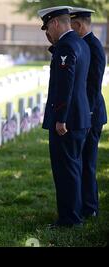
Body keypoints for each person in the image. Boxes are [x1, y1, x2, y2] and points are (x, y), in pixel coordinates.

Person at [38, 6, 91, 228]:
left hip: (68, 121)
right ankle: (74, 214)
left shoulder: (66, 46)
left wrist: (60, 118)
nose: (48, 32)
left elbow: (65, 84)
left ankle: (69, 219)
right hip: (79, 117)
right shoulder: (81, 43)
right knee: (74, 168)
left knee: (65, 170)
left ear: (55, 23)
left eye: (48, 27)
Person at [70, 7, 107, 219]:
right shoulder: (83, 44)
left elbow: (93, 86)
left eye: (71, 24)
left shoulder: (93, 46)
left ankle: (90, 207)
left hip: (91, 113)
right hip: (85, 112)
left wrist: (88, 113)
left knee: (88, 162)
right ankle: (84, 204)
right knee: (81, 161)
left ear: (79, 25)